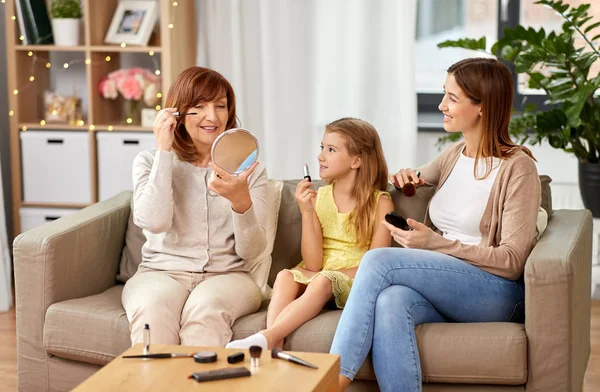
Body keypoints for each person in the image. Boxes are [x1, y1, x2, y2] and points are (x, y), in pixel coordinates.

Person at [330, 58, 543, 391]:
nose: (442, 105)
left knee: (378, 261)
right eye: (444, 94)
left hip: (496, 291)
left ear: (483, 107)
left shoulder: (518, 169)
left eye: (453, 98)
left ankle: (333, 378)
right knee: (391, 301)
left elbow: (513, 261)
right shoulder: (455, 154)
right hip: (448, 284)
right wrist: (404, 177)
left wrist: (434, 243)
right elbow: (413, 177)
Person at [122, 66, 268, 347]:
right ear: (177, 113)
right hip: (160, 272)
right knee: (152, 313)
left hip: (229, 275)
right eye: (199, 107)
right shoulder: (149, 161)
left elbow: (251, 251)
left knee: (205, 312)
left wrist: (241, 203)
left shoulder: (250, 170)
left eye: (220, 106)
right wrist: (164, 151)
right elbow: (154, 221)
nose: (212, 117)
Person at [226, 118, 395, 350]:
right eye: (322, 148)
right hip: (321, 274)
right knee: (285, 276)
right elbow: (314, 264)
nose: (321, 156)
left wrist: (329, 274)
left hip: (355, 279)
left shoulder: (380, 203)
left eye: (331, 150)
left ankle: (268, 336)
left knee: (323, 280)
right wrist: (307, 212)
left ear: (357, 160)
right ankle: (274, 345)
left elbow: (377, 265)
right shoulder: (320, 197)